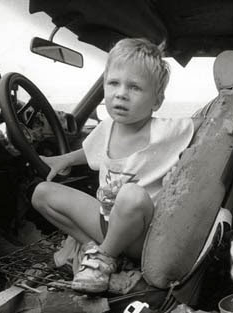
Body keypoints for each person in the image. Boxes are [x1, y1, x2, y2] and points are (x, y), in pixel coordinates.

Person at [32, 38, 199, 294]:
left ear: (156, 101)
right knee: (42, 193)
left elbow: (205, 124)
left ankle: (103, 258)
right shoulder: (106, 127)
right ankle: (97, 252)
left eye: (134, 87)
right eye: (113, 83)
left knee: (131, 194)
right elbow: (88, 153)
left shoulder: (167, 130)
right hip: (105, 220)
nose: (121, 93)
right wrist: (63, 159)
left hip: (141, 233)